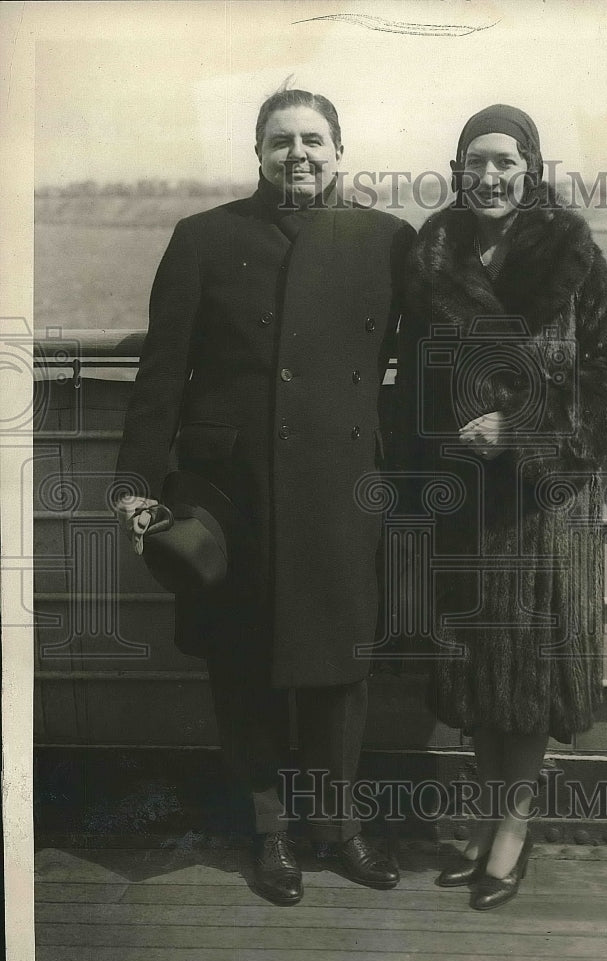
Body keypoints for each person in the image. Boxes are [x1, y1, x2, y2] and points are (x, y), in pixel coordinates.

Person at [115, 87, 414, 906]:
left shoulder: (388, 242)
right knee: (243, 662)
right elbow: (160, 376)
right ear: (258, 153)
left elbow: (435, 355)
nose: (299, 156)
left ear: (340, 151)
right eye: (281, 142)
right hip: (230, 491)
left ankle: (339, 827)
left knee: (340, 665)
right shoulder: (204, 238)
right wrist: (138, 490)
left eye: (314, 141)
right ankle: (268, 829)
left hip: (341, 487)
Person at [400, 105, 607, 909]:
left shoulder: (571, 252)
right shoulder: (433, 252)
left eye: (506, 161)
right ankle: (481, 817)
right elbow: (417, 374)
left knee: (528, 668)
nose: (490, 175)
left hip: (545, 501)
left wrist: (526, 427)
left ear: (531, 167)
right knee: (474, 665)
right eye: (476, 161)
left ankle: (512, 829)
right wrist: (443, 442)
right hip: (466, 497)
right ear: (458, 169)